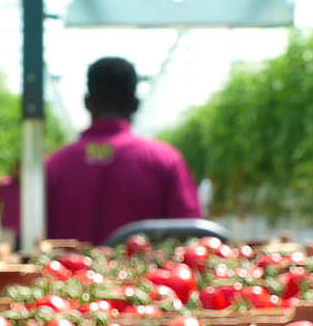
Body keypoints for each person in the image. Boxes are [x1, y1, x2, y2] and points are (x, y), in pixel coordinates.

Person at [44, 57, 200, 244]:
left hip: (67, 273)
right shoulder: (164, 161)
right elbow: (190, 236)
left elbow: (30, 237)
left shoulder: (53, 166)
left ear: (87, 102)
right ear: (135, 104)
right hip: (146, 273)